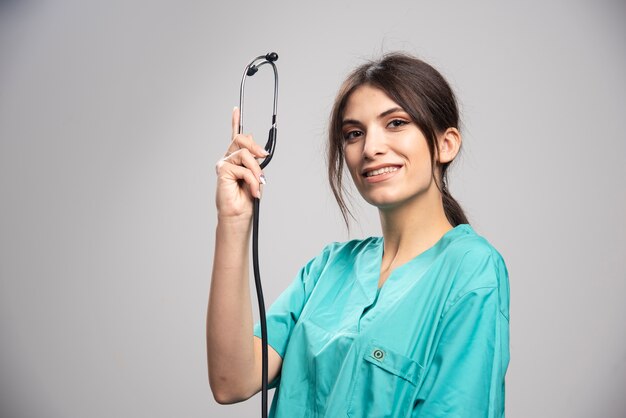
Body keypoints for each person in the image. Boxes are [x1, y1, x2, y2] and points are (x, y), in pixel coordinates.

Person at [207, 52, 510, 417]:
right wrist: (234, 221)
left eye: (396, 123)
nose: (370, 148)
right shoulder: (328, 269)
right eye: (354, 133)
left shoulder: (471, 271)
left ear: (445, 144)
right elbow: (231, 380)